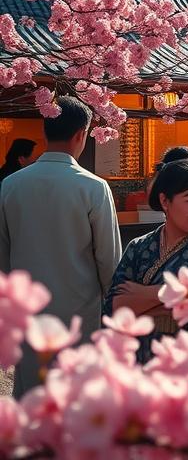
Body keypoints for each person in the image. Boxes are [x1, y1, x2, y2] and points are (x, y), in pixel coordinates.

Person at [0, 97, 122, 397]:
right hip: (80, 310)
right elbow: (109, 260)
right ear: (82, 134)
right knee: (78, 395)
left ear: (45, 131)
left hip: (29, 310)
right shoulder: (93, 187)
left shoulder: (11, 185)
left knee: (31, 394)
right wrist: (115, 308)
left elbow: (3, 255)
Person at [105, 159, 188, 363]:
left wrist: (147, 295)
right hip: (138, 364)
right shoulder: (139, 247)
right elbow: (114, 307)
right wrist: (179, 296)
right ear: (165, 201)